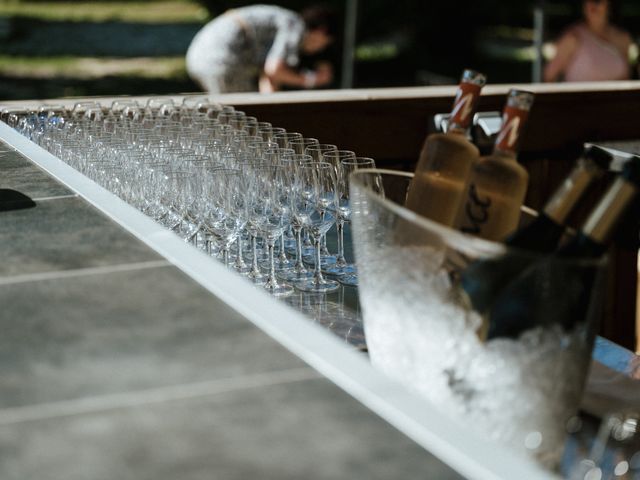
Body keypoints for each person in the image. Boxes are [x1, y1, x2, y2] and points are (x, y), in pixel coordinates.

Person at [186, 4, 337, 94]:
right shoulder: (295, 24)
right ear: (321, 31)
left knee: (237, 120)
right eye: (325, 43)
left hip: (200, 55)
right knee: (241, 121)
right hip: (220, 58)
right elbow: (274, 70)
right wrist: (310, 80)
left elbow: (268, 77)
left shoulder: (282, 23)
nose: (320, 49)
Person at [544, 0, 634, 82]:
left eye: (597, 1)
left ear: (609, 4)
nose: (592, 4)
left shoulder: (623, 38)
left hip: (617, 100)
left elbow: (626, 79)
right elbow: (549, 77)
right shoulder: (572, 37)